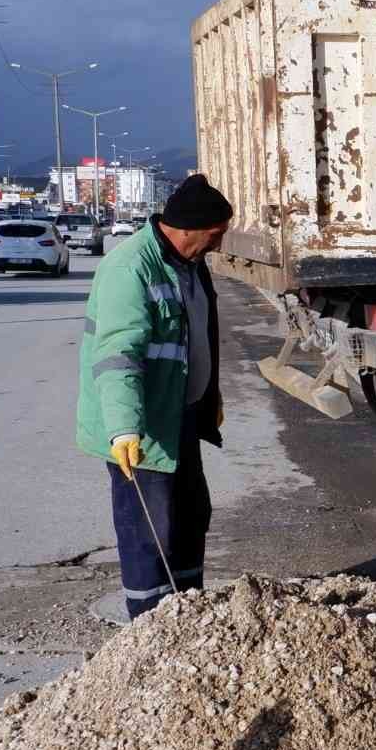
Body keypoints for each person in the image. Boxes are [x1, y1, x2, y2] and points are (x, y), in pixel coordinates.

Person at [76, 174, 233, 618]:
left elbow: (197, 335)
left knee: (189, 517)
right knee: (149, 530)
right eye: (215, 235)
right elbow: (117, 357)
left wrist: (208, 393)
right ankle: (148, 627)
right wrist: (125, 429)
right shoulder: (131, 269)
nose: (219, 245)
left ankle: (187, 612)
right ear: (186, 228)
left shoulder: (190, 263)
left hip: (179, 414)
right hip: (141, 428)